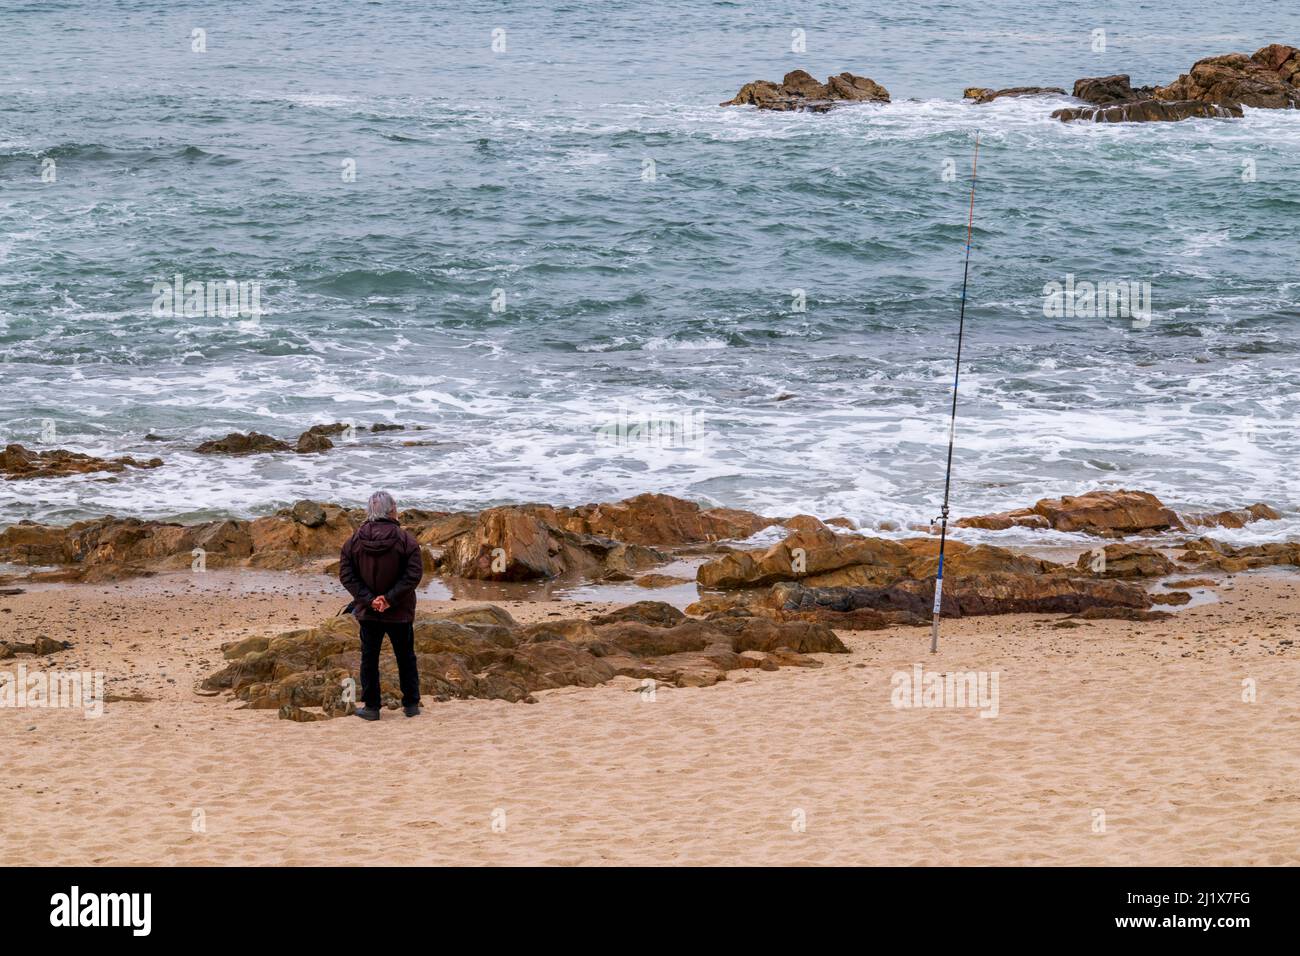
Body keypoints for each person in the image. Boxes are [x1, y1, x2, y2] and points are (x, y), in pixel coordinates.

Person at [338, 490, 424, 720]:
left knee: (369, 658)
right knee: (405, 656)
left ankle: (372, 707)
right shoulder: (406, 540)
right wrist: (389, 599)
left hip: (369, 611)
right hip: (399, 610)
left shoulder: (354, 540)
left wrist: (370, 599)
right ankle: (411, 704)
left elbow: (347, 575)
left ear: (370, 511)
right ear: (392, 510)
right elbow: (414, 574)